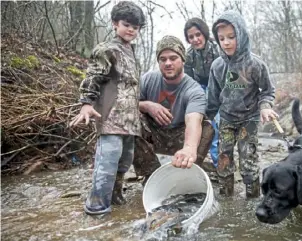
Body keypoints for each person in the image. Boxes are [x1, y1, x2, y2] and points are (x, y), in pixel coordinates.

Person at [69, 1, 146, 215]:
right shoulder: (107, 49)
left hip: (130, 120)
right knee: (107, 163)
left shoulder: (132, 52)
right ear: (114, 24)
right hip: (111, 117)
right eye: (126, 24)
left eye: (136, 27)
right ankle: (96, 207)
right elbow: (93, 76)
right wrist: (86, 104)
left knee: (125, 161)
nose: (131, 30)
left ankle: (115, 196)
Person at [207, 10, 278, 198]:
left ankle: (253, 199)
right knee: (224, 157)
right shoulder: (217, 66)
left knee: (248, 157)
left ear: (242, 35)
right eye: (221, 39)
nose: (226, 42)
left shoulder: (255, 64)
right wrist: (205, 118)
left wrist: (265, 106)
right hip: (227, 118)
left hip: (250, 118)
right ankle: (226, 196)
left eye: (231, 37)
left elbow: (268, 91)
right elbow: (213, 98)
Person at [132, 35, 214, 184]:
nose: (168, 63)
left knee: (207, 127)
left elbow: (193, 120)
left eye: (173, 58)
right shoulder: (148, 79)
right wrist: (147, 105)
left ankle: (187, 173)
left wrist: (189, 147)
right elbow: (126, 103)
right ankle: (151, 175)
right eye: (163, 59)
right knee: (131, 116)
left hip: (179, 137)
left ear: (182, 60)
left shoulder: (194, 89)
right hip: (154, 134)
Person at [183, 17, 220, 170]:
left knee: (217, 126)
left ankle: (220, 165)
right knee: (202, 124)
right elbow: (189, 81)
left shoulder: (216, 49)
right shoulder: (189, 54)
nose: (195, 39)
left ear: (204, 33)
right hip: (200, 89)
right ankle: (194, 160)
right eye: (191, 37)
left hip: (218, 88)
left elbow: (225, 74)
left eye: (198, 34)